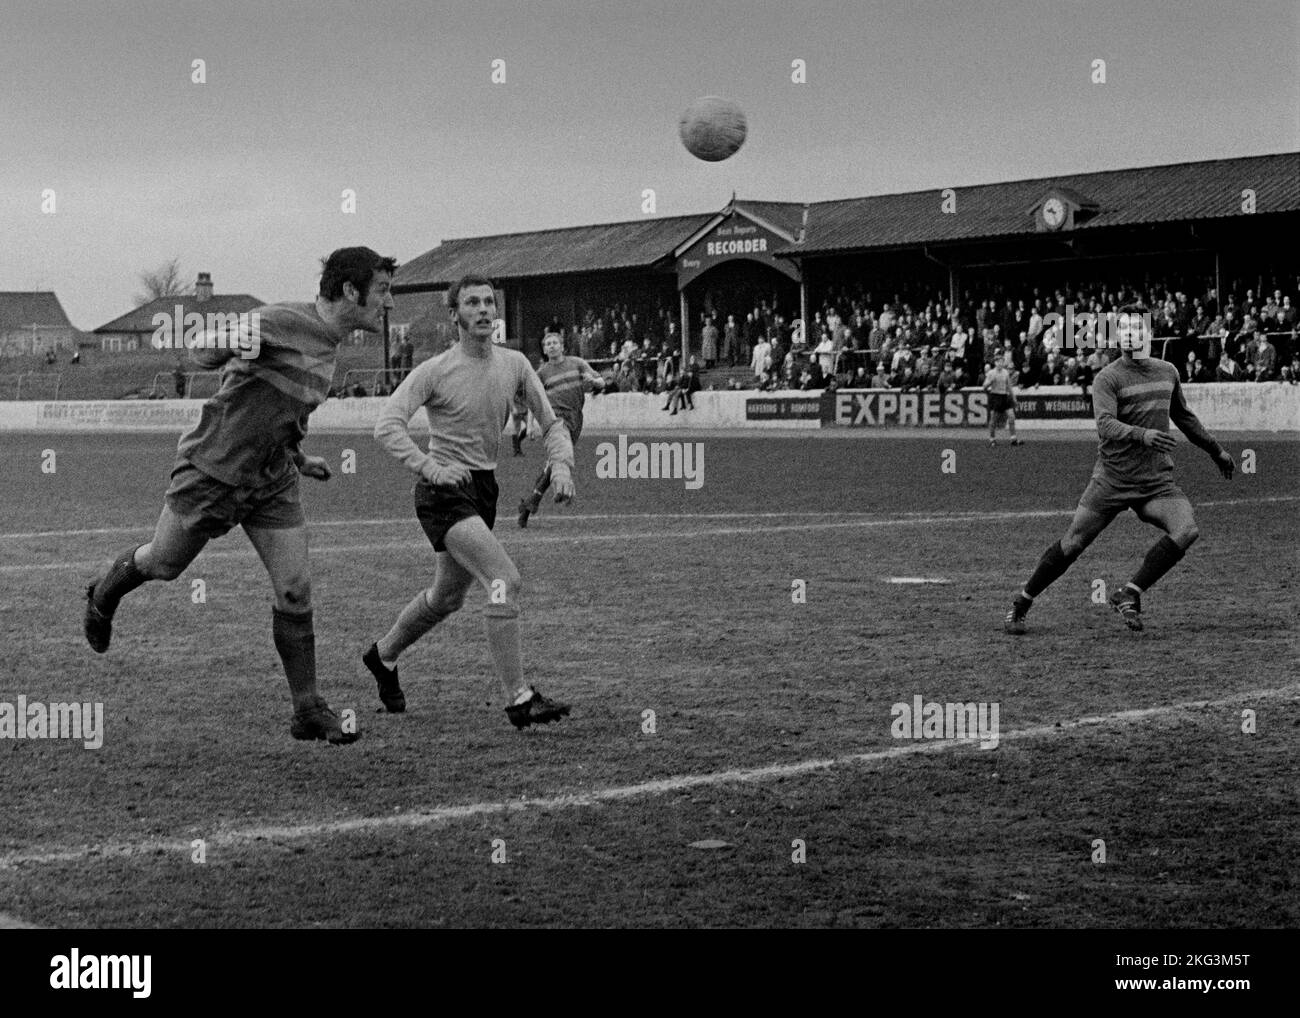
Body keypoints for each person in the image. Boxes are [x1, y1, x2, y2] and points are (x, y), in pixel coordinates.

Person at [83, 246, 397, 744]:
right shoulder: (281, 321)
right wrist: (225, 342)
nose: (388, 301)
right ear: (350, 290)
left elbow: (282, 410)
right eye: (382, 290)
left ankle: (307, 710)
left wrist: (298, 458)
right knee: (163, 564)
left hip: (272, 478)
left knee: (295, 589)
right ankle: (104, 592)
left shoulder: (330, 345)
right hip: (214, 467)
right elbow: (202, 349)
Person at [365, 275, 575, 729]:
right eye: (472, 303)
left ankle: (383, 656)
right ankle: (519, 698)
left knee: (446, 598)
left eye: (488, 302)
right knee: (503, 579)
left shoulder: (515, 364)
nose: (483, 310)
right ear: (454, 314)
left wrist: (561, 464)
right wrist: (428, 467)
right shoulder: (435, 370)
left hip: (483, 489)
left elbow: (551, 423)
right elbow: (387, 425)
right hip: (442, 491)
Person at [1004, 305, 1234, 635]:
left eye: (1135, 327)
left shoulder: (1168, 371)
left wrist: (1216, 450)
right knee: (1073, 543)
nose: (1128, 334)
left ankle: (1129, 592)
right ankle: (1022, 602)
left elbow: (1184, 417)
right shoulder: (1107, 377)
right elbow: (1105, 424)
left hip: (1155, 481)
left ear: (1148, 333)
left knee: (1186, 530)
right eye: (1122, 328)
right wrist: (1143, 434)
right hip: (1112, 478)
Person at [517, 331, 604, 527]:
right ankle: (553, 493)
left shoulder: (577, 363)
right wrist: (529, 425)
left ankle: (530, 503)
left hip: (575, 420)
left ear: (562, 346)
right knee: (560, 459)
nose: (552, 346)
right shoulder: (541, 374)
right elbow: (533, 401)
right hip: (554, 420)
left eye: (555, 342)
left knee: (553, 463)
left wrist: (593, 381)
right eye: (548, 344)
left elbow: (602, 382)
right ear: (544, 349)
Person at [983, 353, 1023, 446]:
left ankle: (1013, 439)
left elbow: (1009, 386)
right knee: (994, 419)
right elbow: (984, 387)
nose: (1000, 364)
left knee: (1011, 417)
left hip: (1005, 396)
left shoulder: (1005, 372)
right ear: (995, 363)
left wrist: (1014, 398)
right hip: (995, 396)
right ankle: (992, 439)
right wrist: (990, 382)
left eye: (1002, 362)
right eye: (998, 362)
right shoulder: (991, 373)